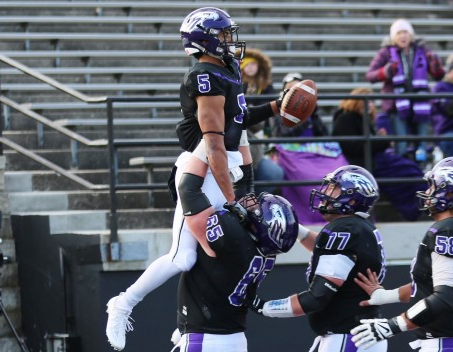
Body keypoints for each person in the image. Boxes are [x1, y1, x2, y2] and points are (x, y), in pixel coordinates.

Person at [106, 7, 284, 350]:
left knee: (217, 251)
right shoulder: (204, 75)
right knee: (183, 257)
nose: (229, 41)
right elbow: (214, 142)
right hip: (202, 169)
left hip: (224, 165)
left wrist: (277, 107)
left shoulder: (228, 69)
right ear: (204, 40)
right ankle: (124, 303)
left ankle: (185, 326)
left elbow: (240, 121)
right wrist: (233, 199)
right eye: (222, 35)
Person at [350, 157, 453, 352]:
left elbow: (443, 298)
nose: (427, 192)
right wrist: (384, 295)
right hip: (452, 342)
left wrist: (392, 325)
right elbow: (433, 284)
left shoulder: (450, 229)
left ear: (451, 192)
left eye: (433, 187)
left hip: (447, 344)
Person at [248, 165, 390, 352]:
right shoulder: (358, 227)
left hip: (349, 335)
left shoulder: (344, 229)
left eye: (334, 188)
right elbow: (325, 247)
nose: (326, 193)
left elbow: (317, 297)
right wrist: (293, 228)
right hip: (359, 333)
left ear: (353, 199)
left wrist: (264, 307)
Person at [173, 192, 299, 351]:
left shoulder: (232, 234)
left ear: (265, 224)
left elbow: (190, 194)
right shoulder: (267, 255)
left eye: (257, 208)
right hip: (235, 338)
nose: (252, 205)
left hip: (206, 338)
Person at [332, 88, 426, 221]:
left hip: (374, 160)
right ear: (356, 102)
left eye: (371, 101)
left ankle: (417, 208)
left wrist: (380, 139)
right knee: (407, 170)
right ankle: (413, 209)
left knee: (410, 169)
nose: (370, 104)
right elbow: (354, 147)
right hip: (362, 164)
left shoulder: (360, 119)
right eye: (367, 101)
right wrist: (383, 141)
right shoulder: (345, 118)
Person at [366, 18, 445, 158]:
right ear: (393, 36)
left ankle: (420, 172)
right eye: (399, 33)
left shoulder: (422, 51)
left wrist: (435, 63)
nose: (403, 36)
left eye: (405, 32)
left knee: (421, 144)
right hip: (397, 105)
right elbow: (370, 75)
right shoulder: (386, 52)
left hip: (420, 103)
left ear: (411, 34)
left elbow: (439, 75)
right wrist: (386, 71)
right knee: (401, 144)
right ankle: (402, 174)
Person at [241, 48, 284, 194]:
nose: (251, 68)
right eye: (248, 64)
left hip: (264, 129)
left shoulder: (266, 85)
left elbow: (273, 104)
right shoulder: (236, 83)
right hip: (244, 130)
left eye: (254, 64)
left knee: (273, 171)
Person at [272, 72, 329, 138]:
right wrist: (304, 119)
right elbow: (282, 135)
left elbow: (324, 135)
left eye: (299, 90)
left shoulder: (310, 111)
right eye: (292, 91)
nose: (296, 95)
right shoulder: (279, 112)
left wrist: (314, 115)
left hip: (311, 147)